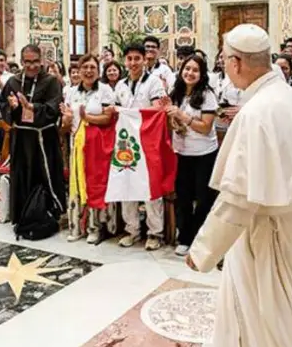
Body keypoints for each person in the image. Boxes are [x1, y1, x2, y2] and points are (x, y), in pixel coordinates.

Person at [177, 25, 292, 347]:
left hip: (264, 232)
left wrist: (203, 251)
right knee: (240, 304)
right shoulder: (291, 99)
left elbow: (239, 198)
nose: (224, 65)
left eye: (225, 59)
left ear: (237, 63)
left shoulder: (257, 112)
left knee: (276, 317)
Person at [0, 45, 65, 239]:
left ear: (41, 60)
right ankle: (23, 215)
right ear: (21, 62)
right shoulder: (13, 82)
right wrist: (13, 108)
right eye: (27, 62)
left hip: (44, 138)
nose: (32, 66)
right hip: (21, 138)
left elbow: (54, 108)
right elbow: (3, 105)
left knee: (45, 175)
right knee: (22, 175)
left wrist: (32, 107)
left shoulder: (51, 81)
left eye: (36, 61)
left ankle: (48, 214)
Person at [113, 43, 167, 250]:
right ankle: (132, 230)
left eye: (137, 58)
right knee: (127, 185)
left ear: (145, 60)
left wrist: (127, 113)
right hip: (126, 141)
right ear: (124, 61)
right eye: (130, 59)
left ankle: (155, 233)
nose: (133, 62)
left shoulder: (154, 82)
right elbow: (114, 111)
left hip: (148, 140)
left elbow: (158, 109)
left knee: (150, 187)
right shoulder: (120, 85)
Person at [165, 55, 219, 258]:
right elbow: (174, 122)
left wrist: (183, 117)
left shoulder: (207, 94)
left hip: (204, 154)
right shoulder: (176, 93)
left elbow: (205, 128)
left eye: (195, 70)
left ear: (202, 74)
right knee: (183, 198)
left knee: (204, 199)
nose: (190, 73)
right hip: (182, 152)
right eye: (187, 69)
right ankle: (185, 238)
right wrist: (176, 123)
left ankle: (199, 237)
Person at [60, 54, 116, 244]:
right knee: (76, 184)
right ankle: (76, 226)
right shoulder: (71, 92)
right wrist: (67, 119)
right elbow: (66, 122)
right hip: (76, 144)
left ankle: (95, 227)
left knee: (94, 184)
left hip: (98, 145)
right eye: (85, 67)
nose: (88, 71)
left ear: (98, 71)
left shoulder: (105, 90)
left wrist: (87, 118)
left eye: (92, 67)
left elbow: (108, 118)